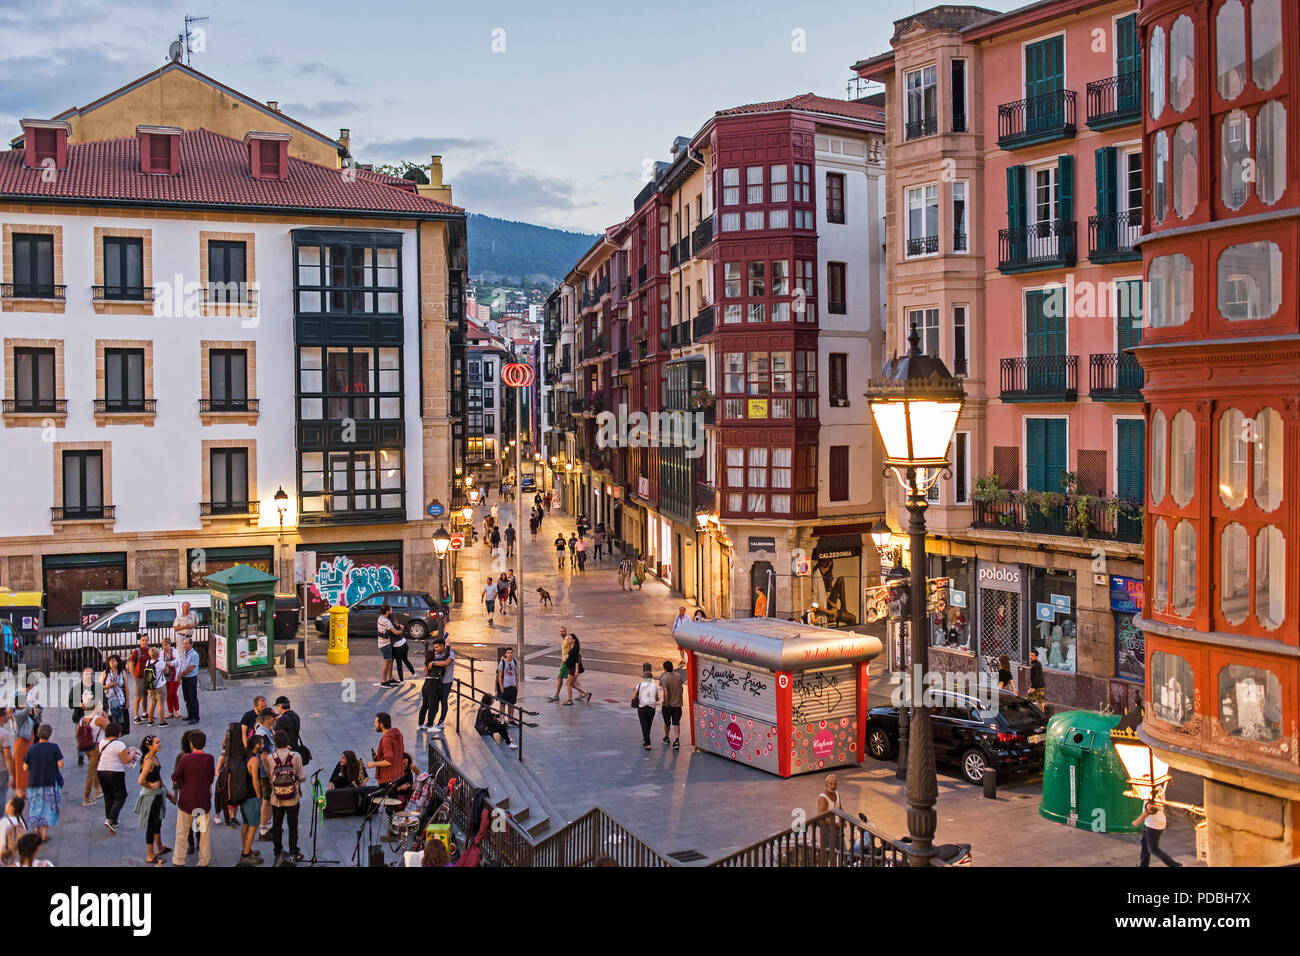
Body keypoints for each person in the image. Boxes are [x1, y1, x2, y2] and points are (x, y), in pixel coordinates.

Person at [172, 729, 215, 866]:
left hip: (186, 801)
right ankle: (203, 860)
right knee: (203, 832)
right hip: (202, 802)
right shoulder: (209, 759)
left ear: (191, 744)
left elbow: (176, 776)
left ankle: (179, 860)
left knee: (182, 832)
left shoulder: (185, 759)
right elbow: (210, 778)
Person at [264, 729, 305, 865]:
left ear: (275, 742)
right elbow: (302, 777)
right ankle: (293, 851)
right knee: (292, 825)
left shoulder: (271, 757)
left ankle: (278, 852)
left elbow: (271, 776)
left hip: (277, 798)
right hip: (292, 797)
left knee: (277, 825)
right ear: (287, 741)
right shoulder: (296, 756)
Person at [133, 734, 170, 865]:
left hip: (158, 794)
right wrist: (151, 786)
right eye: (157, 742)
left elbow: (158, 777)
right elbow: (140, 780)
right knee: (151, 824)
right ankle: (150, 855)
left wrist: (167, 792)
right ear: (150, 746)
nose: (160, 744)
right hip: (151, 797)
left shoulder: (154, 757)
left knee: (157, 822)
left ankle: (159, 848)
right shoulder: (149, 760)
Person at [22, 724, 63, 841]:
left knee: (35, 807)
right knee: (49, 808)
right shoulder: (54, 747)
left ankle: (36, 831)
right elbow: (60, 764)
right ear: (49, 735)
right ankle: (44, 834)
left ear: (38, 734)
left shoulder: (31, 749)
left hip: (34, 783)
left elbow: (25, 767)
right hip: (50, 782)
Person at [96, 722, 137, 833]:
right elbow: (126, 760)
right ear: (118, 733)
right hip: (115, 772)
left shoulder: (102, 742)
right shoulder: (120, 745)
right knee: (121, 796)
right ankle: (112, 819)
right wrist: (132, 753)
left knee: (108, 796)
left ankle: (109, 819)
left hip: (101, 771)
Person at [1134, 787, 1181, 867]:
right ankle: (1144, 865)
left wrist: (1138, 820)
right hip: (1150, 822)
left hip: (1153, 824)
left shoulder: (1152, 790)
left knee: (1153, 849)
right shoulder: (1158, 787)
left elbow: (1150, 809)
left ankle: (1174, 865)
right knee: (1144, 843)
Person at [237, 734, 266, 866]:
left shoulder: (244, 755)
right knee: (253, 826)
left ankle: (246, 849)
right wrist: (259, 795)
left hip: (243, 795)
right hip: (252, 797)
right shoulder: (254, 760)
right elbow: (255, 779)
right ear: (256, 745)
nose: (263, 746)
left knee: (246, 824)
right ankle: (245, 855)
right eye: (261, 743)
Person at [367, 713, 404, 793]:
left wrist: (372, 764)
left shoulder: (386, 740)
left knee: (389, 803)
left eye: (376, 722)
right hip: (397, 774)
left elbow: (388, 761)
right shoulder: (397, 733)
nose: (374, 724)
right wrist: (378, 758)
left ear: (381, 724)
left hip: (387, 778)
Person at [77, 709, 107, 807]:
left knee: (95, 767)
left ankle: (97, 790)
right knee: (91, 771)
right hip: (97, 747)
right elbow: (110, 729)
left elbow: (76, 734)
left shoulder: (82, 720)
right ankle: (86, 798)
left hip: (86, 747)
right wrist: (105, 717)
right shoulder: (98, 719)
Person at [9, 693, 35, 799]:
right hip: (21, 743)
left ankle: (23, 789)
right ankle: (19, 790)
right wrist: (28, 700)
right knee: (20, 766)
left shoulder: (20, 713)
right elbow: (28, 708)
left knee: (26, 767)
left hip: (26, 742)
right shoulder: (18, 714)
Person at [633, 664, 662, 751]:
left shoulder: (639, 685)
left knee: (644, 725)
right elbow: (657, 699)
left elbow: (633, 696)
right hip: (651, 708)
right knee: (648, 725)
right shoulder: (655, 686)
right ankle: (645, 740)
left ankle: (647, 743)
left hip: (642, 707)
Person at [659, 662, 684, 750]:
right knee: (676, 722)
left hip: (668, 705)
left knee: (667, 722)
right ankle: (677, 740)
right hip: (678, 704)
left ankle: (666, 737)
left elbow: (666, 692)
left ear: (665, 668)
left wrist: (666, 702)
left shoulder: (664, 679)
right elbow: (682, 688)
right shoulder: (678, 676)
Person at [387, 607, 415, 684]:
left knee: (399, 663)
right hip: (404, 644)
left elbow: (391, 635)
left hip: (397, 647)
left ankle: (402, 680)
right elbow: (400, 628)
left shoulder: (389, 627)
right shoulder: (397, 625)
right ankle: (413, 673)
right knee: (405, 659)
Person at [178, 636, 201, 724]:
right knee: (186, 698)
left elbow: (191, 668)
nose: (184, 645)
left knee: (192, 698)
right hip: (185, 678)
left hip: (191, 678)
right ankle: (190, 715)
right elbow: (183, 665)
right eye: (183, 644)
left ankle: (195, 717)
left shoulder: (194, 654)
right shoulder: (185, 653)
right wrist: (180, 674)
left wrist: (181, 675)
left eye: (186, 644)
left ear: (191, 644)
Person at [102, 656, 129, 731]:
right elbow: (99, 686)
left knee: (119, 720)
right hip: (108, 699)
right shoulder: (105, 673)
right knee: (110, 720)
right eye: (110, 661)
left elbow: (126, 687)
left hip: (119, 699)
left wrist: (127, 701)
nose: (112, 663)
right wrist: (108, 686)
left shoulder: (122, 673)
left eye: (114, 661)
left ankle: (118, 734)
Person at [128, 634, 150, 724]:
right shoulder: (137, 652)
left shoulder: (149, 650)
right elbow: (131, 665)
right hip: (139, 678)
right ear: (140, 641)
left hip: (147, 678)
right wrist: (135, 678)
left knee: (145, 696)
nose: (145, 642)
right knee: (138, 697)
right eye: (143, 640)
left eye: (146, 640)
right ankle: (136, 716)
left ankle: (144, 713)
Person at [547, 628, 573, 702]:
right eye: (560, 631)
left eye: (563, 631)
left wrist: (568, 659)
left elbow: (572, 649)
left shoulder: (568, 639)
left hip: (567, 662)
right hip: (564, 662)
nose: (561, 633)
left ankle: (556, 695)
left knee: (559, 677)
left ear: (566, 631)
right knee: (572, 681)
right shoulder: (563, 639)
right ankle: (583, 693)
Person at [160, 636, 182, 721]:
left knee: (172, 693)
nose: (165, 647)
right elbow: (160, 663)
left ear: (170, 645)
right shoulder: (161, 653)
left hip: (174, 675)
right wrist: (165, 664)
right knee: (167, 694)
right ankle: (170, 711)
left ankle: (177, 710)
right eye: (163, 645)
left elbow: (177, 662)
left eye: (166, 645)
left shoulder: (175, 651)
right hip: (165, 676)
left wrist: (168, 663)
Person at [0, 796, 25, 867]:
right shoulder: (21, 821)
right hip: (17, 856)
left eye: (7, 804)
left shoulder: (5, 822)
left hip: (6, 856)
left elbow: (2, 842)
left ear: (12, 808)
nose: (6, 805)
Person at [495, 647, 519, 722]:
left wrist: (517, 684)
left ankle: (510, 719)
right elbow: (499, 676)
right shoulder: (502, 663)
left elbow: (516, 673)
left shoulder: (515, 661)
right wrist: (501, 687)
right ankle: (502, 720)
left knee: (512, 704)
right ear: (505, 654)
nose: (510, 654)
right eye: (508, 653)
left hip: (513, 686)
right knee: (503, 704)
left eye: (511, 652)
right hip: (505, 687)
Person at [145, 646, 168, 726]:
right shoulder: (160, 663)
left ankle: (150, 720)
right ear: (158, 654)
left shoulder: (147, 662)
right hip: (160, 685)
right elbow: (166, 670)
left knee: (152, 702)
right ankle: (162, 722)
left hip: (151, 686)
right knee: (161, 703)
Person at [0, 708, 12, 810]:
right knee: (2, 795)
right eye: (5, 715)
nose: (8, 716)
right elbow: (8, 757)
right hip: (2, 770)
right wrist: (12, 775)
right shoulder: (4, 734)